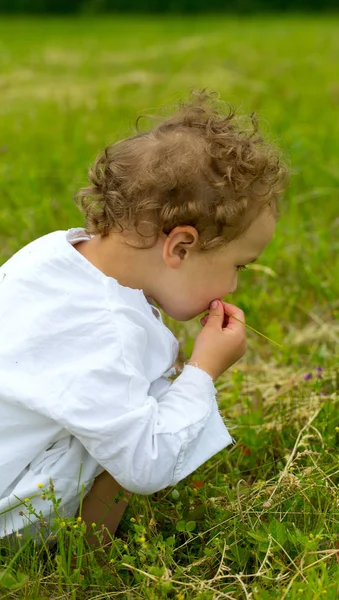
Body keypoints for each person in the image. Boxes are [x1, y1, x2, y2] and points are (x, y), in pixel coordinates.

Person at [0, 90, 289, 548]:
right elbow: (145, 465)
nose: (233, 287)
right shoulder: (108, 333)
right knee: (148, 408)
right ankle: (92, 554)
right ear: (179, 247)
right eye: (238, 266)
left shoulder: (53, 251)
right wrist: (202, 373)